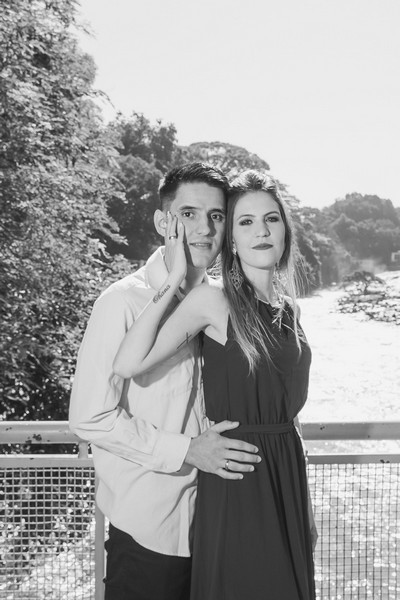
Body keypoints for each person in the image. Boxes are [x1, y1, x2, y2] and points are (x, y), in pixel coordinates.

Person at [114, 170, 317, 600]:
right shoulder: (212, 300)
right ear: (232, 240)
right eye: (245, 221)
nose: (261, 231)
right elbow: (129, 362)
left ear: (285, 231)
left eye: (271, 219)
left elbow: (288, 412)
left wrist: (306, 510)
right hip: (239, 479)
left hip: (287, 480)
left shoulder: (290, 311)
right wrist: (173, 278)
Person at [68, 162, 261, 600]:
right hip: (149, 532)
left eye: (216, 216)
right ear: (163, 222)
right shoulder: (122, 302)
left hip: (218, 525)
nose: (205, 228)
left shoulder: (223, 302)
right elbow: (89, 417)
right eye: (189, 214)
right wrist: (187, 450)